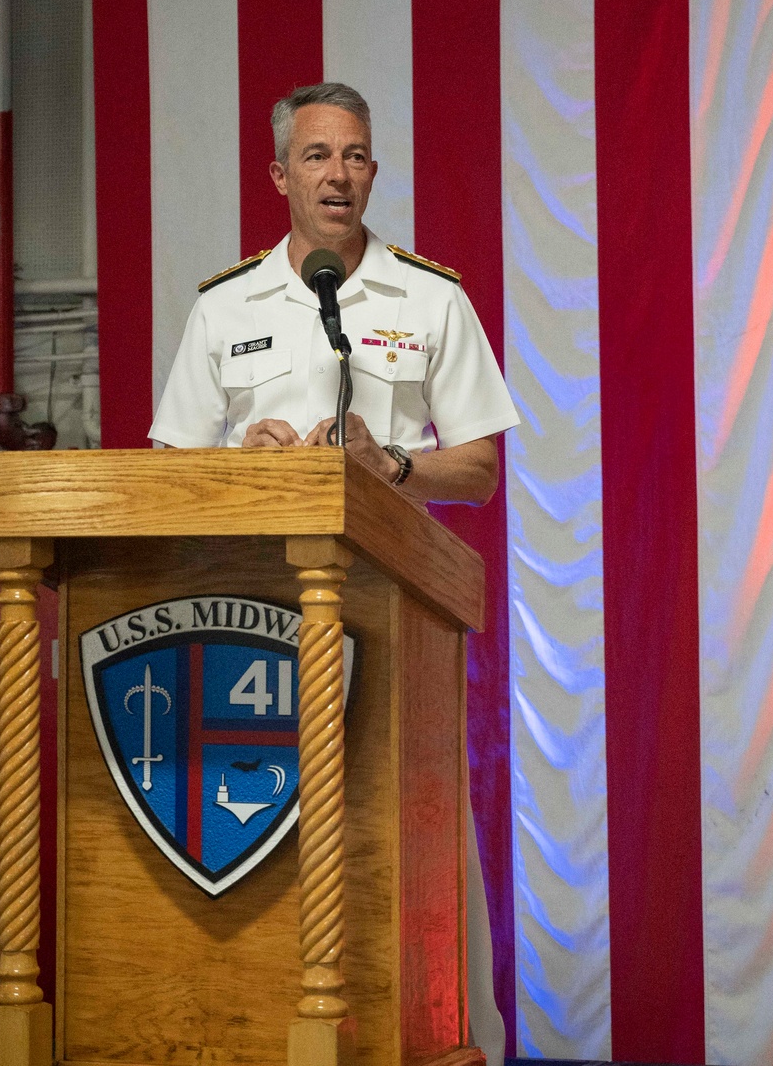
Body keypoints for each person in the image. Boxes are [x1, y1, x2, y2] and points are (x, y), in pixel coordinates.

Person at [149, 81, 516, 1066]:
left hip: (393, 619)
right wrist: (243, 460)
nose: (338, 174)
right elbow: (171, 471)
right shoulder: (225, 308)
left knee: (408, 835)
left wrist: (388, 462)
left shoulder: (428, 297)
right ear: (279, 175)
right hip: (244, 625)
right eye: (316, 156)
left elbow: (479, 468)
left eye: (354, 155)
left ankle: (442, 1035)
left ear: (374, 171)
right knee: (261, 837)